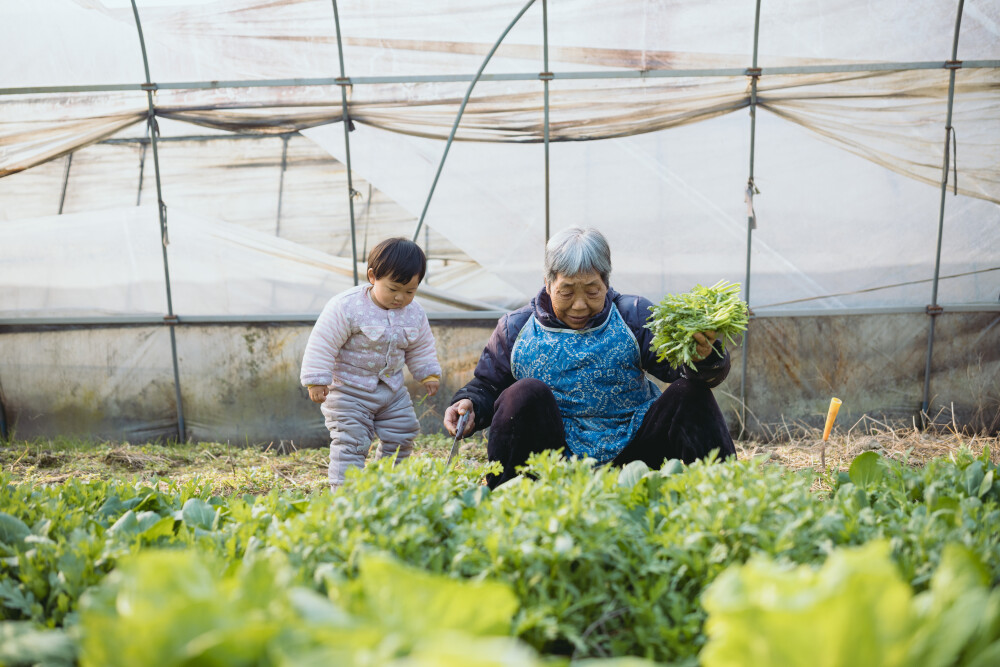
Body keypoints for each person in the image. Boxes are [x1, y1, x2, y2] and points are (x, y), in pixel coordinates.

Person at [443, 227, 735, 488]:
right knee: (523, 393)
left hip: (634, 455)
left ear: (606, 283)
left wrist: (704, 358)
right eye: (566, 292)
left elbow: (678, 369)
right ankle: (504, 495)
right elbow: (487, 386)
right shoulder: (517, 328)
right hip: (553, 460)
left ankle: (725, 494)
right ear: (548, 283)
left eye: (593, 292)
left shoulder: (632, 315)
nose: (580, 305)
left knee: (690, 394)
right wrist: (469, 404)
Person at [302, 237, 441, 490]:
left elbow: (420, 345)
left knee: (404, 433)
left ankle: (385, 486)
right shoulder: (347, 307)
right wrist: (316, 379)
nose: (400, 298)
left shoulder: (415, 313)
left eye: (410, 291)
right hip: (348, 392)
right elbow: (323, 342)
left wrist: (428, 373)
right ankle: (345, 496)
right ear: (372, 276)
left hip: (391, 391)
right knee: (352, 442)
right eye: (393, 288)